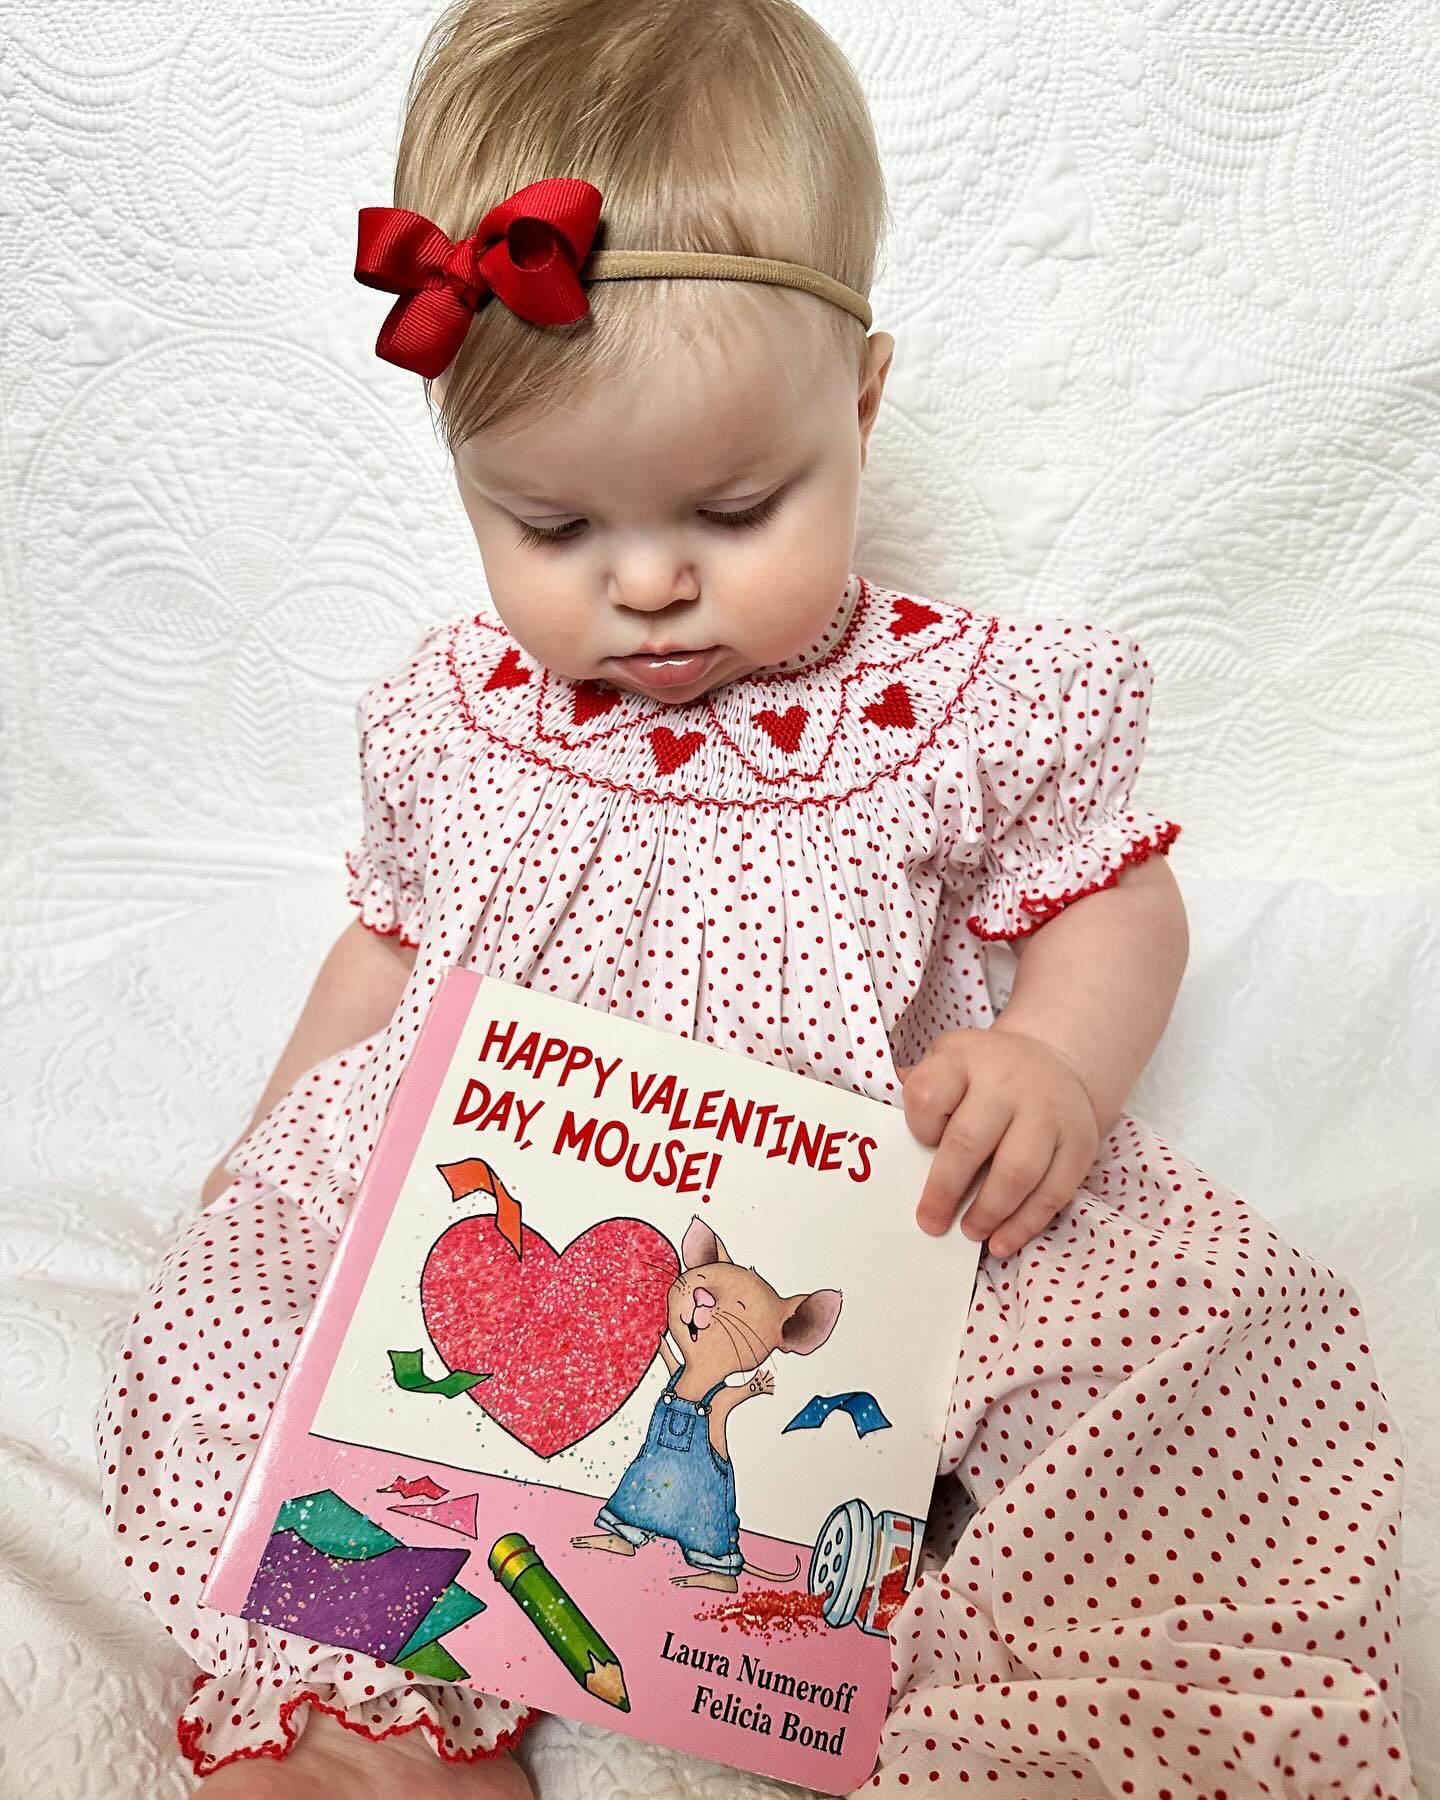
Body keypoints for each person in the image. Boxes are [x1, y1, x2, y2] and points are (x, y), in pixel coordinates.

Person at [94, 0, 1416, 1794]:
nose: (645, 586)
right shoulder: (447, 714)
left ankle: (1036, 1717)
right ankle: (380, 1719)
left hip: (859, 1212)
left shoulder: (943, 702)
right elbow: (388, 938)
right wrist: (278, 1145)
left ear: (860, 404)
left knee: (1153, 1365)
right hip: (519, 1227)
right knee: (251, 1319)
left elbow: (1113, 896)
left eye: (734, 506)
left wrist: (1057, 1063)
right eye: (551, 530)